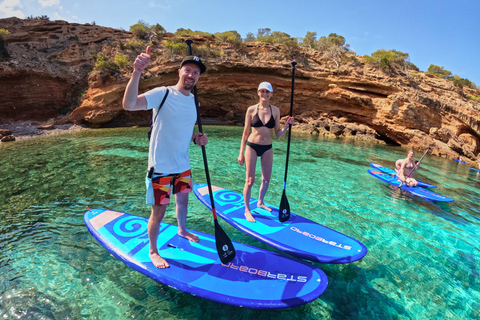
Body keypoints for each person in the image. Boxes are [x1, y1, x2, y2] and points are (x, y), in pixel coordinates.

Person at [123, 46, 208, 269]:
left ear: (199, 77)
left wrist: (197, 139)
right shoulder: (163, 93)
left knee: (183, 201)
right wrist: (137, 72)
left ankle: (181, 229)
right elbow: (129, 105)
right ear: (179, 71)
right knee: (159, 211)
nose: (191, 75)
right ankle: (153, 250)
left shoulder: (195, 102)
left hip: (183, 166)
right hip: (160, 167)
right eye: (187, 70)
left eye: (196, 72)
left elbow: (186, 131)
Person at [237, 82, 294, 222]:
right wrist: (241, 152)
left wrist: (286, 126)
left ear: (271, 94)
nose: (265, 94)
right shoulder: (251, 110)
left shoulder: (275, 110)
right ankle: (247, 210)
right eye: (262, 91)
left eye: (267, 92)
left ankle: (260, 202)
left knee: (266, 180)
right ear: (258, 93)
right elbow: (245, 133)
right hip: (252, 146)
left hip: (267, 148)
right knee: (250, 181)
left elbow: (277, 133)